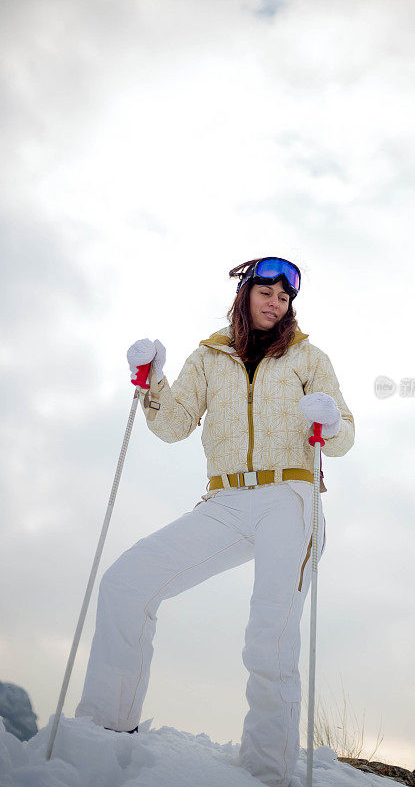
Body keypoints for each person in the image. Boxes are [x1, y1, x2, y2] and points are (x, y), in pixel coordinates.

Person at [75, 256, 355, 787]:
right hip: (224, 502)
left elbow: (343, 439)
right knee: (126, 585)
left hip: (289, 499)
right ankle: (105, 732)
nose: (276, 304)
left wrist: (330, 420)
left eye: (285, 297)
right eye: (267, 293)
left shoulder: (308, 359)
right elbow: (174, 425)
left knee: (268, 634)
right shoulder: (209, 358)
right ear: (245, 294)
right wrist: (152, 381)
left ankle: (267, 772)